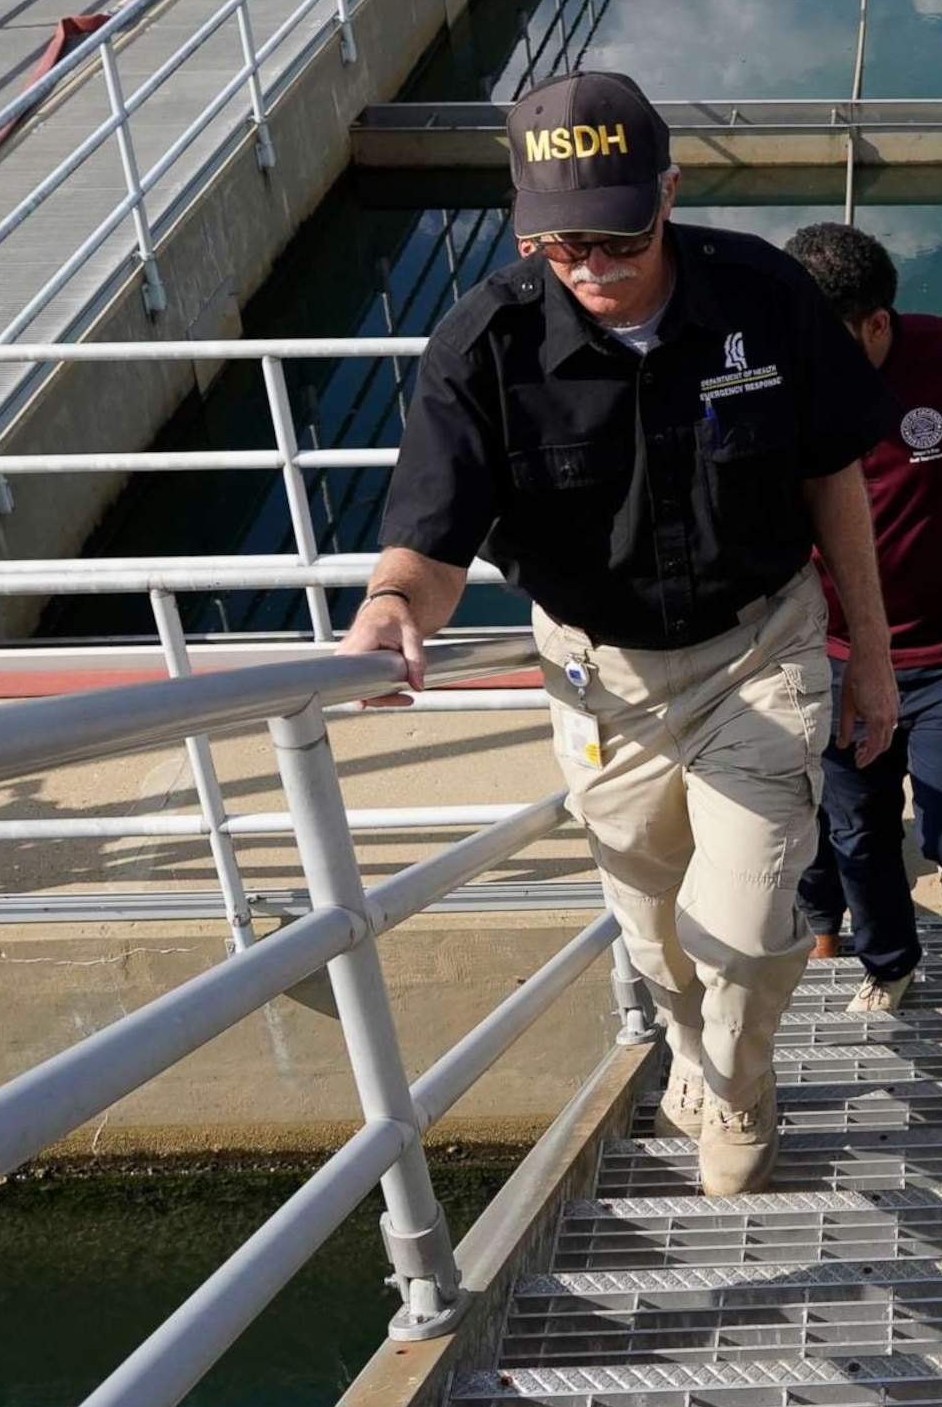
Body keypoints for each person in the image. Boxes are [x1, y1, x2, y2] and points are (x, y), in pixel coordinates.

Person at [341, 71, 900, 1199]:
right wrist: (387, 611)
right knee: (655, 941)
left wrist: (872, 659)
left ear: (669, 195)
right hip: (603, 680)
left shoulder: (763, 293)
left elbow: (832, 470)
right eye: (561, 244)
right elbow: (427, 543)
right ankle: (695, 1057)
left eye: (619, 236)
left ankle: (738, 1084)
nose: (592, 267)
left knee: (741, 923)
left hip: (760, 644)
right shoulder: (485, 343)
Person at [784, 222, 942, 1011]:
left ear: (879, 323)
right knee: (858, 832)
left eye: (834, 341)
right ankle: (889, 966)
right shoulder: (785, 376)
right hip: (837, 651)